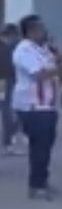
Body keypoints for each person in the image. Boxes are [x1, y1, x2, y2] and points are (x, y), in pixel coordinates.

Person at [11, 15, 62, 200]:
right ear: (31, 31)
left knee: (45, 147)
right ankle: (36, 186)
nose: (45, 31)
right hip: (33, 107)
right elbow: (39, 75)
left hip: (47, 105)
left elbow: (55, 67)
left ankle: (41, 181)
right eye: (41, 29)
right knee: (40, 147)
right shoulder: (24, 50)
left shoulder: (44, 49)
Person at [0, 23, 22, 156]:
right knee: (7, 112)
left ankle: (8, 141)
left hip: (6, 81)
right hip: (4, 82)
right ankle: (7, 142)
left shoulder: (8, 47)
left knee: (8, 112)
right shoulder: (5, 48)